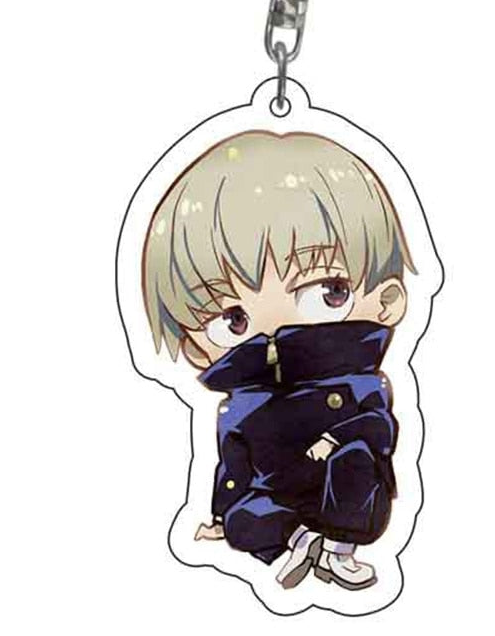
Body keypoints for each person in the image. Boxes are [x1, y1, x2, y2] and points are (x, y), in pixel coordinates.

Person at [141, 131, 413, 590]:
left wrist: (333, 439)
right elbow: (233, 466)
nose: (274, 324)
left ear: (386, 301)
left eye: (329, 292)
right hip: (274, 497)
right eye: (233, 318)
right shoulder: (241, 403)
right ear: (196, 348)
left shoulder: (353, 379)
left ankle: (337, 549)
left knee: (354, 471)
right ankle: (299, 544)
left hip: (340, 484)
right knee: (246, 521)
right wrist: (222, 515)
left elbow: (378, 427)